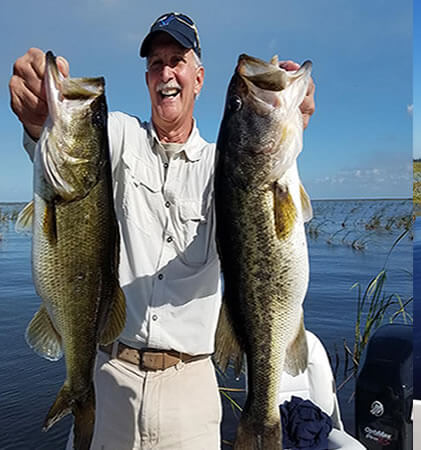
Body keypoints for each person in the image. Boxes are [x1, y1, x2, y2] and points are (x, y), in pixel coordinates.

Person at [9, 12, 315, 448]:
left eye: (177, 60)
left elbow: (259, 181)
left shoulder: (223, 164)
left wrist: (285, 120)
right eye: (156, 63)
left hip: (190, 388)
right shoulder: (116, 136)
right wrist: (38, 110)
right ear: (148, 78)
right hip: (109, 376)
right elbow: (62, 138)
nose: (166, 72)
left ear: (199, 77)